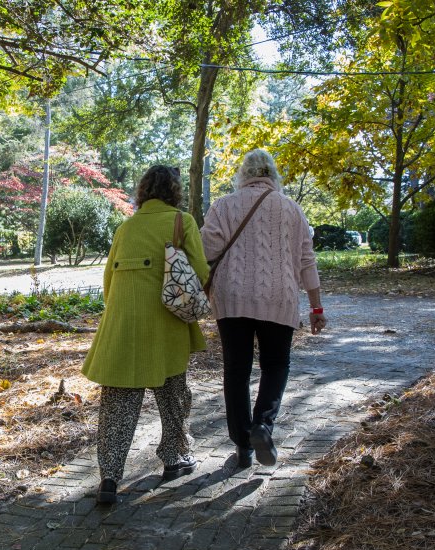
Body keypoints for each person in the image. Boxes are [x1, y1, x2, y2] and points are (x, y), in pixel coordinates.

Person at [82, 165, 210, 505]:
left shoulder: (126, 228)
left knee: (117, 406)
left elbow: (108, 282)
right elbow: (200, 272)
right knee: (173, 397)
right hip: (166, 326)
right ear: (174, 190)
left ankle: (109, 477)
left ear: (142, 191)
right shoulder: (182, 221)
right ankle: (175, 458)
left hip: (122, 326)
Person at [201, 149, 327, 469]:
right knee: (276, 365)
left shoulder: (223, 205)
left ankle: (243, 445)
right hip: (279, 296)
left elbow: (206, 250)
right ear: (273, 174)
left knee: (236, 371)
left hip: (231, 298)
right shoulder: (292, 209)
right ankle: (263, 426)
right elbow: (307, 261)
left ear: (243, 174)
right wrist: (316, 307)